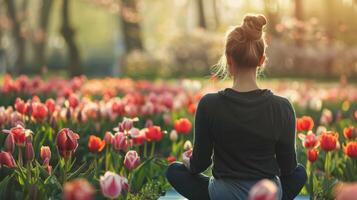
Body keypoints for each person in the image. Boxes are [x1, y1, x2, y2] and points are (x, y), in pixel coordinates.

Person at [166, 14, 307, 200]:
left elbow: (200, 164)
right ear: (261, 60)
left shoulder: (209, 104)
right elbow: (288, 167)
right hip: (267, 194)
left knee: (174, 171)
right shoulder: (282, 107)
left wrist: (188, 162)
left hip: (222, 195)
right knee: (300, 173)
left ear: (229, 59)